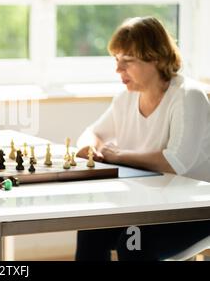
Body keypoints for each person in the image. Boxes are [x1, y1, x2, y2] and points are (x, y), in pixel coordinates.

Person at [74, 16, 210, 261]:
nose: (118, 69)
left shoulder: (188, 96)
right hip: (151, 207)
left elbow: (175, 162)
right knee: (90, 229)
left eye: (128, 61)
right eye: (116, 60)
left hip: (195, 210)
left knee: (132, 243)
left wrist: (120, 156)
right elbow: (94, 132)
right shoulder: (126, 98)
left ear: (156, 58)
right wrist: (89, 147)